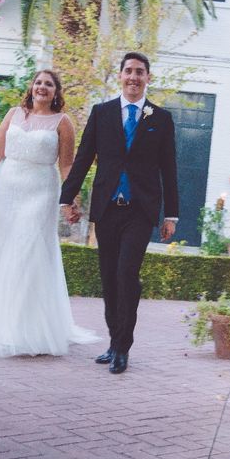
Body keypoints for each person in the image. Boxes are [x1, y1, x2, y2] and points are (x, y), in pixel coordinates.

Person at [0, 70, 100, 357]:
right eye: (38, 82)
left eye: (48, 84)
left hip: (40, 193)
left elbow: (66, 167)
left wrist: (70, 201)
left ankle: (23, 329)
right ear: (31, 87)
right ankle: (8, 320)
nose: (42, 87)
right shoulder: (13, 113)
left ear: (56, 92)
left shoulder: (63, 123)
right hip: (7, 191)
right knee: (4, 252)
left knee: (27, 253)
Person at [60, 52, 179, 374]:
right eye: (128, 71)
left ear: (148, 78)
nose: (133, 77)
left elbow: (169, 169)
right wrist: (66, 197)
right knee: (110, 278)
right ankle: (113, 342)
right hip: (107, 209)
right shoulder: (102, 114)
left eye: (140, 72)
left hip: (140, 210)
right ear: (120, 75)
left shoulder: (161, 119)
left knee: (127, 274)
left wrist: (172, 215)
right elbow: (83, 159)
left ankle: (123, 347)